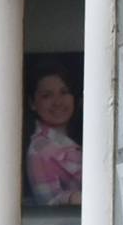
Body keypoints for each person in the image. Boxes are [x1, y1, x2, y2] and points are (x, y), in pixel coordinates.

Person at [25, 68, 83, 205]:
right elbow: (49, 207)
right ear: (32, 103)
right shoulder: (39, 151)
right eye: (47, 96)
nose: (57, 102)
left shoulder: (86, 134)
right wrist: (74, 197)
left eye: (64, 92)